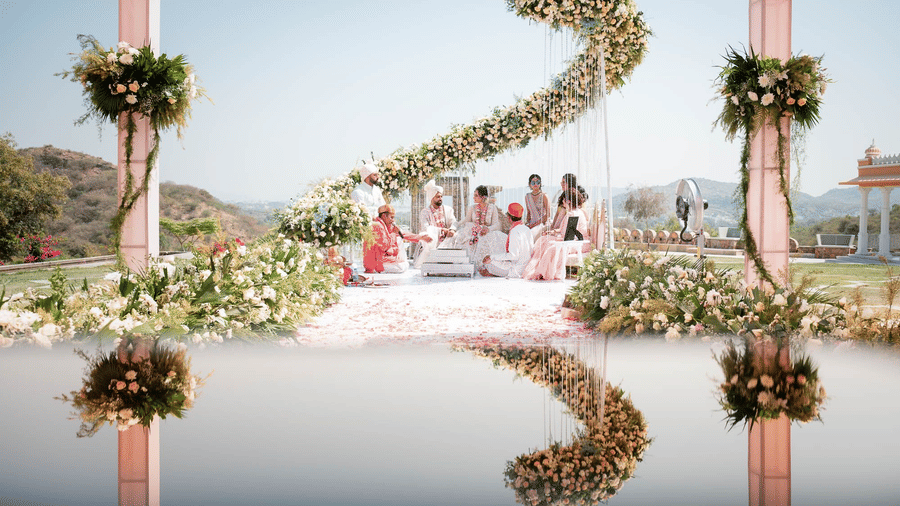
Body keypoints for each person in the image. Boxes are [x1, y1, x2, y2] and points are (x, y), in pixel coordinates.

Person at [522, 188, 591, 281]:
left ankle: (542, 271)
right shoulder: (575, 212)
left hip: (577, 243)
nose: (563, 202)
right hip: (573, 240)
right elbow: (567, 230)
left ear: (568, 201)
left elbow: (568, 236)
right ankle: (539, 269)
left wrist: (555, 237)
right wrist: (553, 233)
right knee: (544, 239)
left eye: (564, 200)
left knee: (548, 244)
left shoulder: (572, 214)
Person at [364, 204, 431, 273]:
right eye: (391, 217)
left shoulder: (386, 225)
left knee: (404, 264)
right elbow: (384, 246)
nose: (393, 220)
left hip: (381, 259)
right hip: (375, 263)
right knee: (402, 266)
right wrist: (393, 233)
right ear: (384, 216)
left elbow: (403, 234)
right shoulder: (377, 226)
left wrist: (421, 238)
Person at [447, 185, 501, 264]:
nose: (473, 198)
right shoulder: (472, 208)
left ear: (482, 197)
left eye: (476, 195)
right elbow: (465, 221)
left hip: (486, 234)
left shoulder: (492, 208)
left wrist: (488, 229)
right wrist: (453, 227)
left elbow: (496, 224)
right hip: (473, 233)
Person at [479, 203, 534, 278]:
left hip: (516, 270)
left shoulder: (515, 231)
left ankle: (493, 273)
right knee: (495, 258)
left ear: (509, 217)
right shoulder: (527, 229)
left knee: (488, 263)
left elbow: (513, 256)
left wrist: (492, 257)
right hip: (526, 267)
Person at [414, 180, 458, 268]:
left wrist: (452, 230)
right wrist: (441, 231)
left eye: (441, 196)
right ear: (432, 198)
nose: (440, 198)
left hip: (447, 238)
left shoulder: (448, 209)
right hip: (433, 239)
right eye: (438, 197)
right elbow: (425, 228)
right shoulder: (425, 212)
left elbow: (454, 222)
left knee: (458, 236)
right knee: (427, 235)